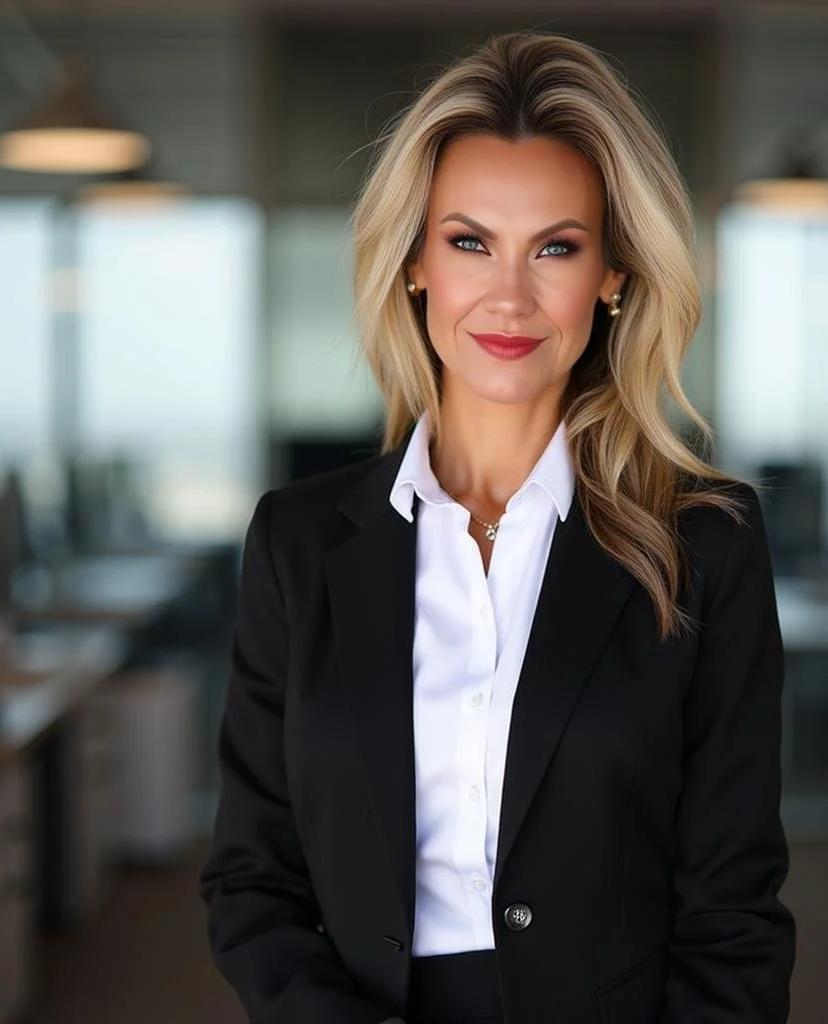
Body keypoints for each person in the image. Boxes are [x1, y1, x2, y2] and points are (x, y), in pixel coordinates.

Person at [199, 31, 795, 1024]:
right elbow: (250, 880)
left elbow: (731, 910)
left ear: (612, 275)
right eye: (470, 240)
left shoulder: (705, 544)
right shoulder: (297, 542)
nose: (509, 296)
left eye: (556, 246)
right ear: (416, 262)